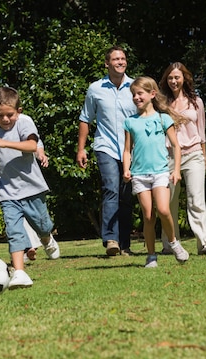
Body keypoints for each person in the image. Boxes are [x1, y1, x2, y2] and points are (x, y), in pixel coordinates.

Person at [0, 87, 60, 289]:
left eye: (10, 115)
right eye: (1, 116)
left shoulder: (24, 122)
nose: (6, 119)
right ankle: (19, 272)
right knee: (14, 232)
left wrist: (6, 143)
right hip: (8, 191)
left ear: (19, 110)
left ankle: (46, 238)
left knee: (42, 225)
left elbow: (32, 146)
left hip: (32, 188)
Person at [122, 76, 189, 268]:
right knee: (148, 216)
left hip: (160, 172)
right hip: (140, 175)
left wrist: (176, 170)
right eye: (133, 94)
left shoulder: (163, 118)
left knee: (163, 209)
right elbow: (127, 150)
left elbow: (176, 146)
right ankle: (151, 256)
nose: (136, 97)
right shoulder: (130, 122)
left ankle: (174, 243)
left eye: (140, 93)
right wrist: (126, 169)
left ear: (152, 94)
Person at [76, 46, 137, 256]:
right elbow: (85, 119)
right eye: (115, 59)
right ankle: (111, 239)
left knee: (127, 196)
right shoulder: (95, 89)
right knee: (111, 188)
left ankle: (125, 243)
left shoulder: (135, 87)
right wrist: (81, 149)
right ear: (107, 64)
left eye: (123, 58)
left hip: (131, 149)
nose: (120, 62)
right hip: (106, 146)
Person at [158, 62, 206, 256]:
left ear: (184, 79)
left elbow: (202, 131)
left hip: (193, 154)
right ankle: (169, 244)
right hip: (169, 156)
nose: (174, 81)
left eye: (177, 77)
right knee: (168, 202)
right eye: (170, 78)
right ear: (166, 80)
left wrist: (204, 156)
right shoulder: (161, 103)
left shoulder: (196, 101)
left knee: (196, 199)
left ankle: (203, 243)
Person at [0, 135, 49, 263]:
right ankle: (25, 250)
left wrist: (41, 154)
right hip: (6, 182)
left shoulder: (23, 123)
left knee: (33, 218)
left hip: (27, 180)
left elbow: (35, 143)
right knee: (14, 219)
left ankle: (37, 241)